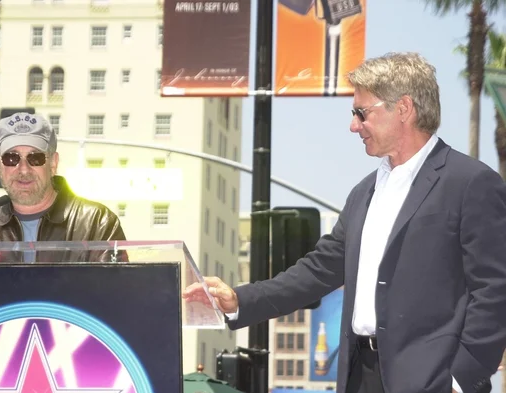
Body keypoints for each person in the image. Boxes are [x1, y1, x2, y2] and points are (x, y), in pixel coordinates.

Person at [183, 52, 506, 393]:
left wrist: (460, 379)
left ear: (404, 109)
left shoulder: (470, 183)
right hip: (358, 378)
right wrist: (240, 299)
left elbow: (496, 289)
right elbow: (317, 270)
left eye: (361, 113)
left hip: (433, 381)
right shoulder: (363, 192)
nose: (353, 125)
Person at [0, 112, 126, 263]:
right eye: (11, 158)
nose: (24, 169)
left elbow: (112, 291)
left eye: (36, 158)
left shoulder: (97, 222)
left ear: (53, 163)